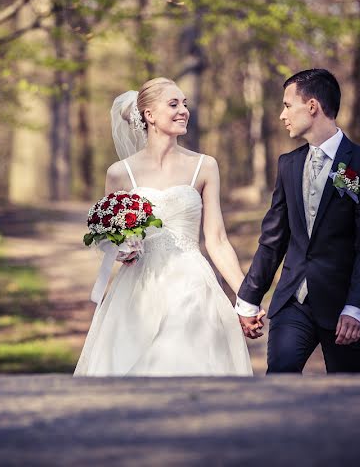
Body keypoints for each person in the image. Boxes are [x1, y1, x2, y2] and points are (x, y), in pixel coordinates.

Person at [74, 77, 253, 376]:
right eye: (173, 104)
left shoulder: (205, 166)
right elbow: (108, 235)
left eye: (185, 104)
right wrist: (122, 247)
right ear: (149, 115)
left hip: (192, 285)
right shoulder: (120, 173)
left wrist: (245, 297)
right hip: (136, 289)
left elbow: (217, 240)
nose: (183, 110)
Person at [236, 69, 360, 374]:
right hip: (293, 303)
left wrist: (357, 308)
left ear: (313, 106)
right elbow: (272, 239)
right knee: (280, 379)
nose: (282, 115)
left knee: (350, 398)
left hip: (344, 308)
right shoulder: (288, 165)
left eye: (287, 105)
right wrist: (248, 301)